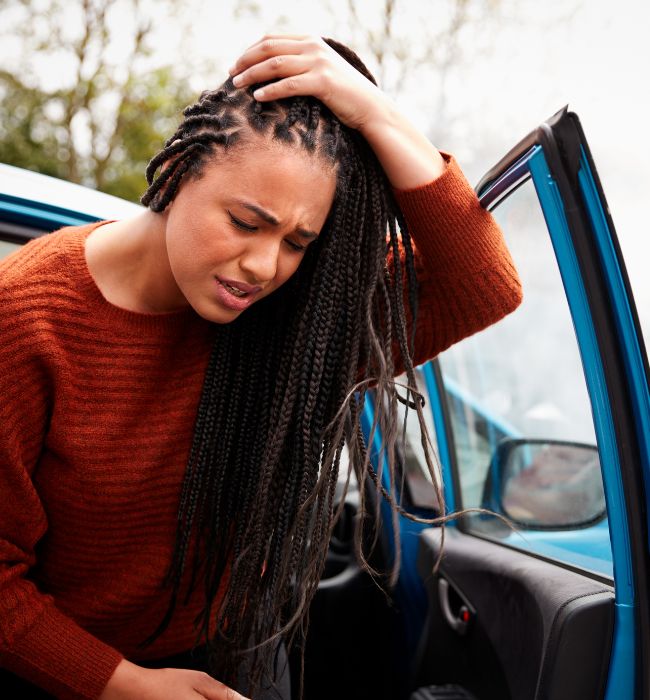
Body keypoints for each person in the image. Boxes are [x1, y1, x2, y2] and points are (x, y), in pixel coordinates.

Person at [0, 35, 522, 700]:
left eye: (297, 242)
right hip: (63, 667)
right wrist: (125, 685)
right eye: (247, 222)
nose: (264, 266)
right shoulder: (25, 315)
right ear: (183, 170)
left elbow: (482, 282)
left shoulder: (296, 319)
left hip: (236, 651)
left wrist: (378, 115)